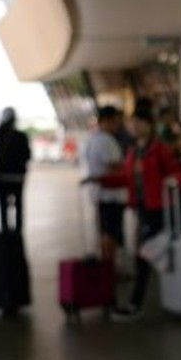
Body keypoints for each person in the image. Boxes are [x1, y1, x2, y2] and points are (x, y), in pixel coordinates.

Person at [112, 102, 181, 320]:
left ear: (149, 125)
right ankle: (161, 298)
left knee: (145, 256)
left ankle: (136, 304)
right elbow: (126, 178)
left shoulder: (159, 148)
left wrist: (174, 181)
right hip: (143, 209)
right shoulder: (133, 151)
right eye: (132, 123)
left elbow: (178, 173)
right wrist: (100, 180)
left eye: (139, 123)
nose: (134, 126)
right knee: (149, 255)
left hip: (160, 210)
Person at [82, 105, 128, 266]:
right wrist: (127, 166)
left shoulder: (92, 139)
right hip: (111, 195)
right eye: (116, 122)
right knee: (111, 233)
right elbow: (113, 166)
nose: (118, 125)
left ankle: (108, 265)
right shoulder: (106, 141)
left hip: (100, 194)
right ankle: (111, 267)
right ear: (107, 121)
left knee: (105, 231)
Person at [0, 106, 31, 233]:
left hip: (1, 177)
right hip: (18, 178)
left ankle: (5, 232)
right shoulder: (21, 136)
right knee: (19, 206)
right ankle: (18, 232)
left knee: (3, 207)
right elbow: (27, 156)